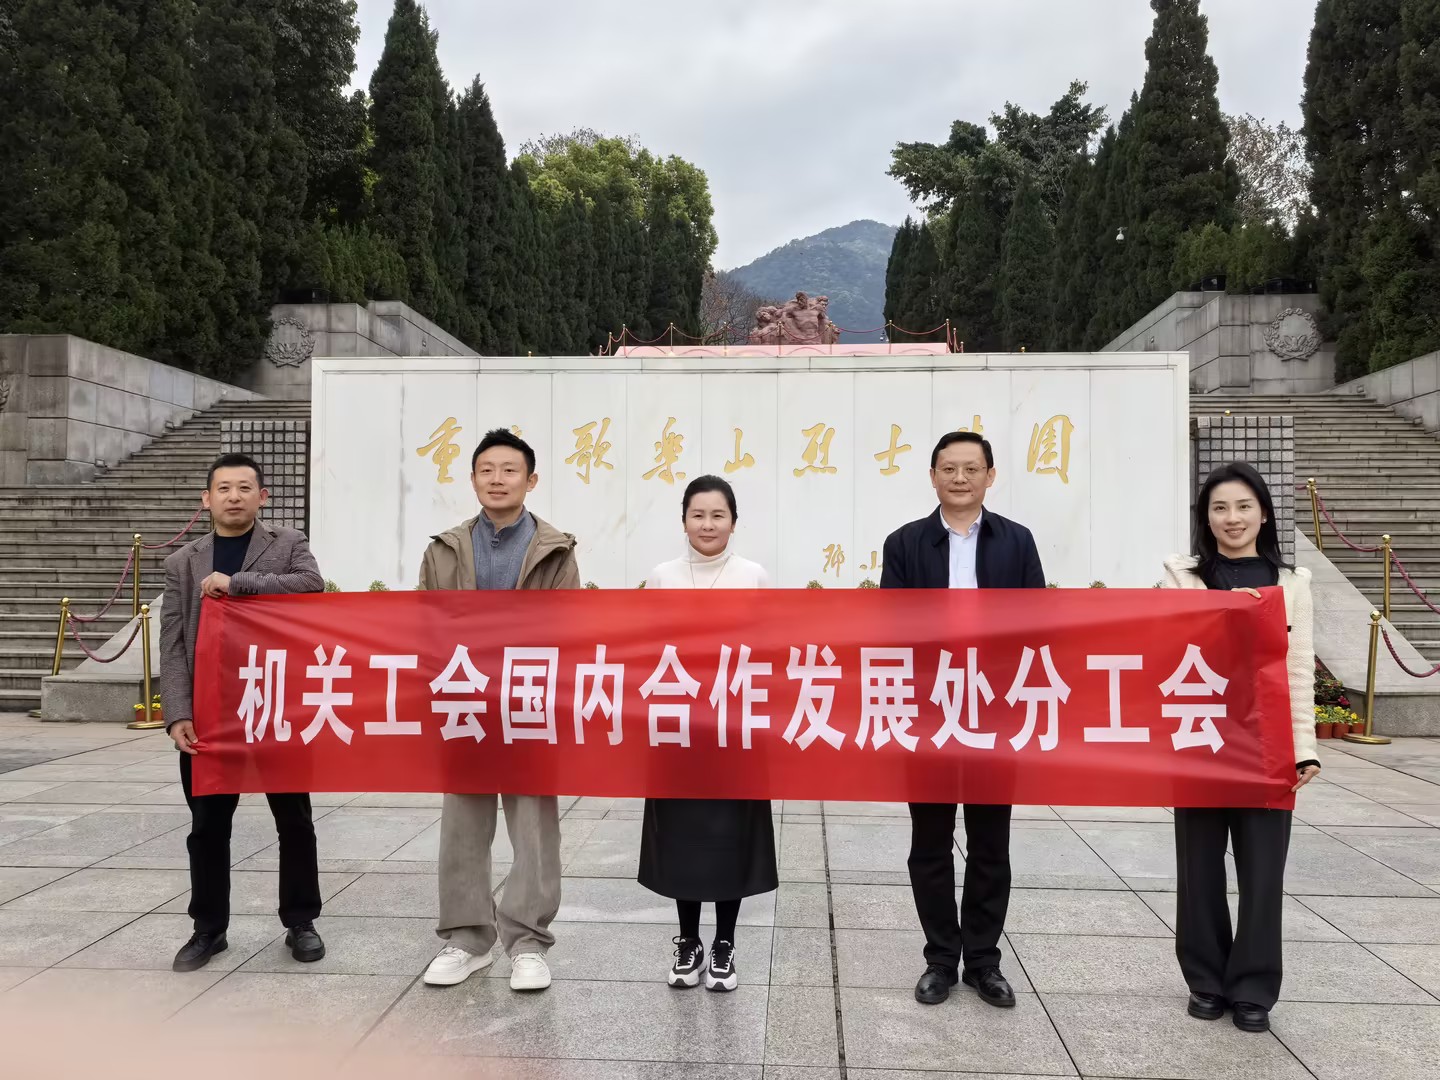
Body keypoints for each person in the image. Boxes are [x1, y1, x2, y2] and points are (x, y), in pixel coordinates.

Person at [880, 431, 1044, 1008]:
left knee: (990, 841)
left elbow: (1039, 623)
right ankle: (940, 959)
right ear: (932, 476)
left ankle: (983, 961)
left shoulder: (1017, 542)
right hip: (930, 710)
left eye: (971, 468)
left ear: (990, 476)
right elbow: (892, 628)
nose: (959, 478)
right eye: (948, 468)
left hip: (995, 710)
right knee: (929, 841)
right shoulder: (904, 543)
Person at [1161, 462, 1320, 1033]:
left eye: (1244, 506)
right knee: (1198, 870)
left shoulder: (1292, 584)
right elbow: (1161, 655)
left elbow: (1298, 671)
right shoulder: (1180, 579)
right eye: (1220, 508)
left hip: (1267, 746)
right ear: (1206, 518)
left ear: (1265, 514)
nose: (1233, 518)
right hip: (1200, 739)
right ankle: (1205, 980)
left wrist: (1305, 749)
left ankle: (1253, 988)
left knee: (1262, 873)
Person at [419, 428, 580, 993]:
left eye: (509, 470)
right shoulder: (444, 548)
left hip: (527, 699)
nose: (497, 479)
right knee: (463, 823)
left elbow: (567, 627)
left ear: (530, 481)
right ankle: (467, 939)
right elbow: (424, 624)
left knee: (533, 826)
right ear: (472, 479)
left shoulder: (556, 550)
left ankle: (528, 942)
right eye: (486, 470)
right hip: (464, 696)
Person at [160, 453, 326, 972]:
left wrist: (239, 583)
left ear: (262, 496)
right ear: (206, 499)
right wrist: (177, 713)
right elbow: (173, 642)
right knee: (207, 826)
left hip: (275, 702)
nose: (234, 496)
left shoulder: (288, 543)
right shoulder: (182, 562)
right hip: (211, 712)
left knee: (294, 819)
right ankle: (208, 929)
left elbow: (311, 585)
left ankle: (301, 921)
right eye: (224, 488)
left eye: (244, 488)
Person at [640, 475, 776, 992]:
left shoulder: (753, 576)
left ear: (734, 522)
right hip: (678, 730)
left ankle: (724, 944)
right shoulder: (662, 576)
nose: (708, 524)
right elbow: (648, 650)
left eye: (718, 515)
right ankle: (688, 941)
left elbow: (768, 651)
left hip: (734, 729)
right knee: (683, 837)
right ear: (683, 520)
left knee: (730, 838)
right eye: (698, 515)